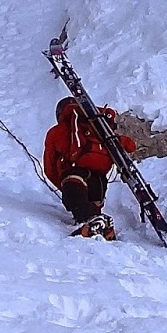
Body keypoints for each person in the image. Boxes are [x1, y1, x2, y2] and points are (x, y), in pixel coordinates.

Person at [43, 96, 137, 237]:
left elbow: (49, 168)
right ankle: (99, 223)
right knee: (93, 208)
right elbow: (130, 145)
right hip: (99, 181)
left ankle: (90, 221)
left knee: (77, 198)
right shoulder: (99, 129)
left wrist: (65, 189)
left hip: (76, 177)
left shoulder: (57, 131)